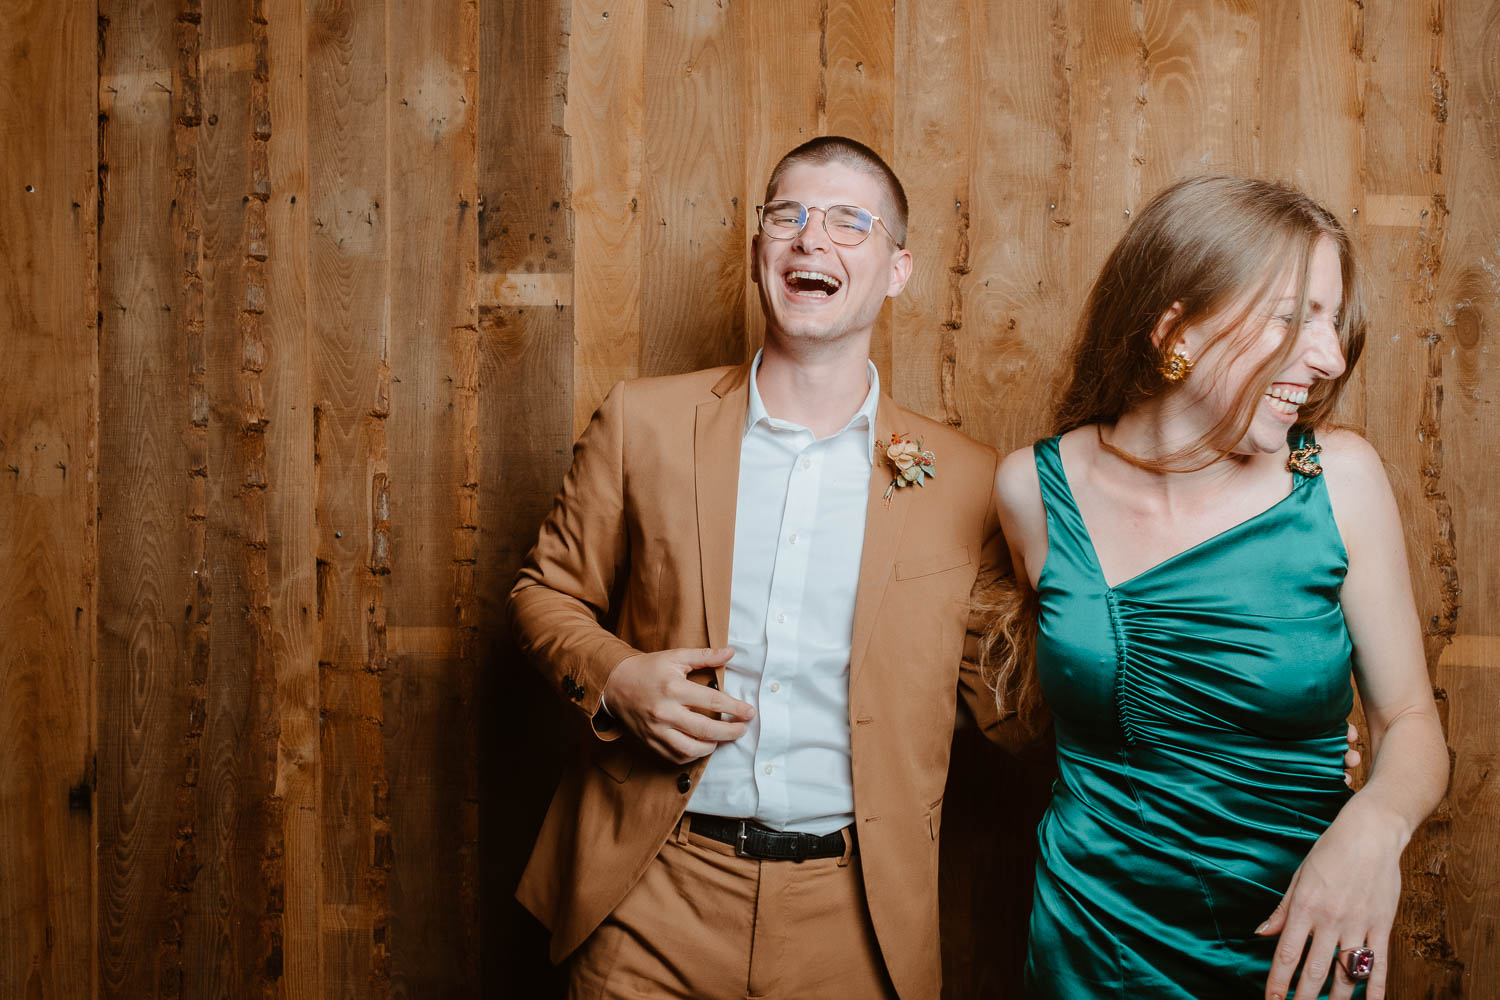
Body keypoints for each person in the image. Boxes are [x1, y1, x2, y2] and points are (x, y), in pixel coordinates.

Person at [508, 136, 1025, 1000]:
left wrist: (1238, 721)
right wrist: (617, 678)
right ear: (760, 253)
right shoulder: (645, 423)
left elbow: (1007, 696)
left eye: (848, 222)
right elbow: (543, 594)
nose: (810, 239)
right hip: (650, 894)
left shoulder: (970, 479)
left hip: (855, 920)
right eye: (787, 215)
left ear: (897, 270)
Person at [983, 174, 1448, 999]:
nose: (1331, 357)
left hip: (1301, 932)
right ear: (1178, 330)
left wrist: (1374, 827)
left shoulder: (1338, 479)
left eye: (1332, 321)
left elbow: (1410, 720)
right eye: (1289, 316)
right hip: (1093, 940)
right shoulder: (1032, 488)